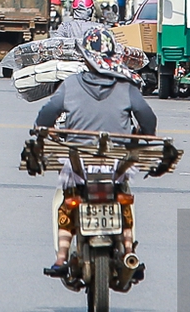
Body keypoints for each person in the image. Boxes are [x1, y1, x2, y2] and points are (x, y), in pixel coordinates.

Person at [33, 27, 156, 278]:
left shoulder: (70, 84)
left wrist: (43, 130)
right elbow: (147, 117)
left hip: (79, 165)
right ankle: (129, 249)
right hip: (115, 164)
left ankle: (61, 256)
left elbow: (46, 115)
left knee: (67, 201)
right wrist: (145, 135)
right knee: (123, 200)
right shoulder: (127, 86)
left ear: (85, 56)